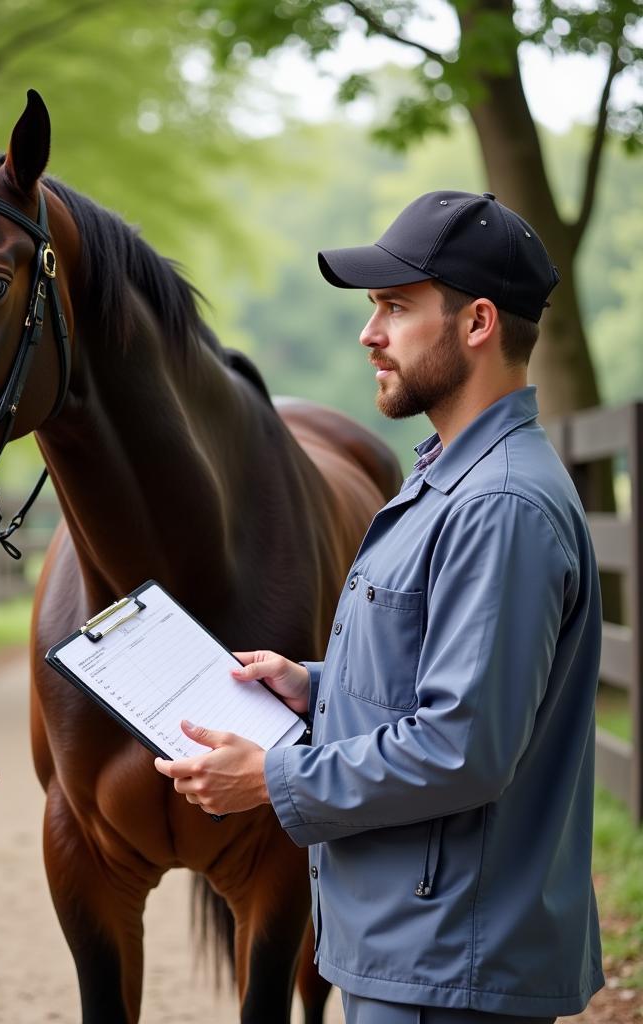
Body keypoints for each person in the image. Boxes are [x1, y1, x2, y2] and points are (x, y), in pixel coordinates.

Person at [154, 191, 604, 1023]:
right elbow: (449, 682)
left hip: (448, 967)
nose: (369, 334)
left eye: (395, 308)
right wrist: (317, 688)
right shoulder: (449, 479)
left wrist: (272, 776)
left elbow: (464, 746)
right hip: (416, 947)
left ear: (476, 323)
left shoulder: (499, 505)